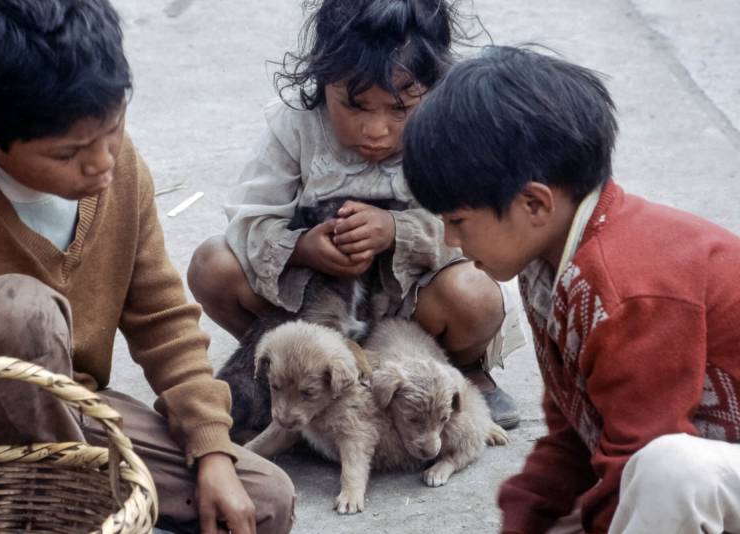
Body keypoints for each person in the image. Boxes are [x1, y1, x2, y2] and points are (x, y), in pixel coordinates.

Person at [0, 1, 294, 533]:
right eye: (69, 153)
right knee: (19, 311)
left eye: (114, 127)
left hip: (68, 412)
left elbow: (163, 319)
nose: (103, 163)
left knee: (263, 501)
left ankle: (56, 508)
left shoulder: (120, 171)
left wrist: (211, 449)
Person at [402, 45, 740, 534]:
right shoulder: (550, 264)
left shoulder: (629, 286)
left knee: (670, 473)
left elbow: (637, 460)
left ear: (534, 204)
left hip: (695, 472)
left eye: (457, 220)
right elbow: (575, 437)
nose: (450, 240)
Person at [187, 0, 526, 430]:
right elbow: (250, 221)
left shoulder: (449, 133)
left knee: (476, 293)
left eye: (399, 109)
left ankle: (457, 371)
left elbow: (481, 227)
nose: (376, 129)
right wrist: (303, 248)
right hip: (315, 306)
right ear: (321, 80)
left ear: (435, 89)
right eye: (355, 105)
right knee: (212, 263)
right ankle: (297, 371)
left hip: (412, 311)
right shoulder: (297, 126)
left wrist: (394, 231)